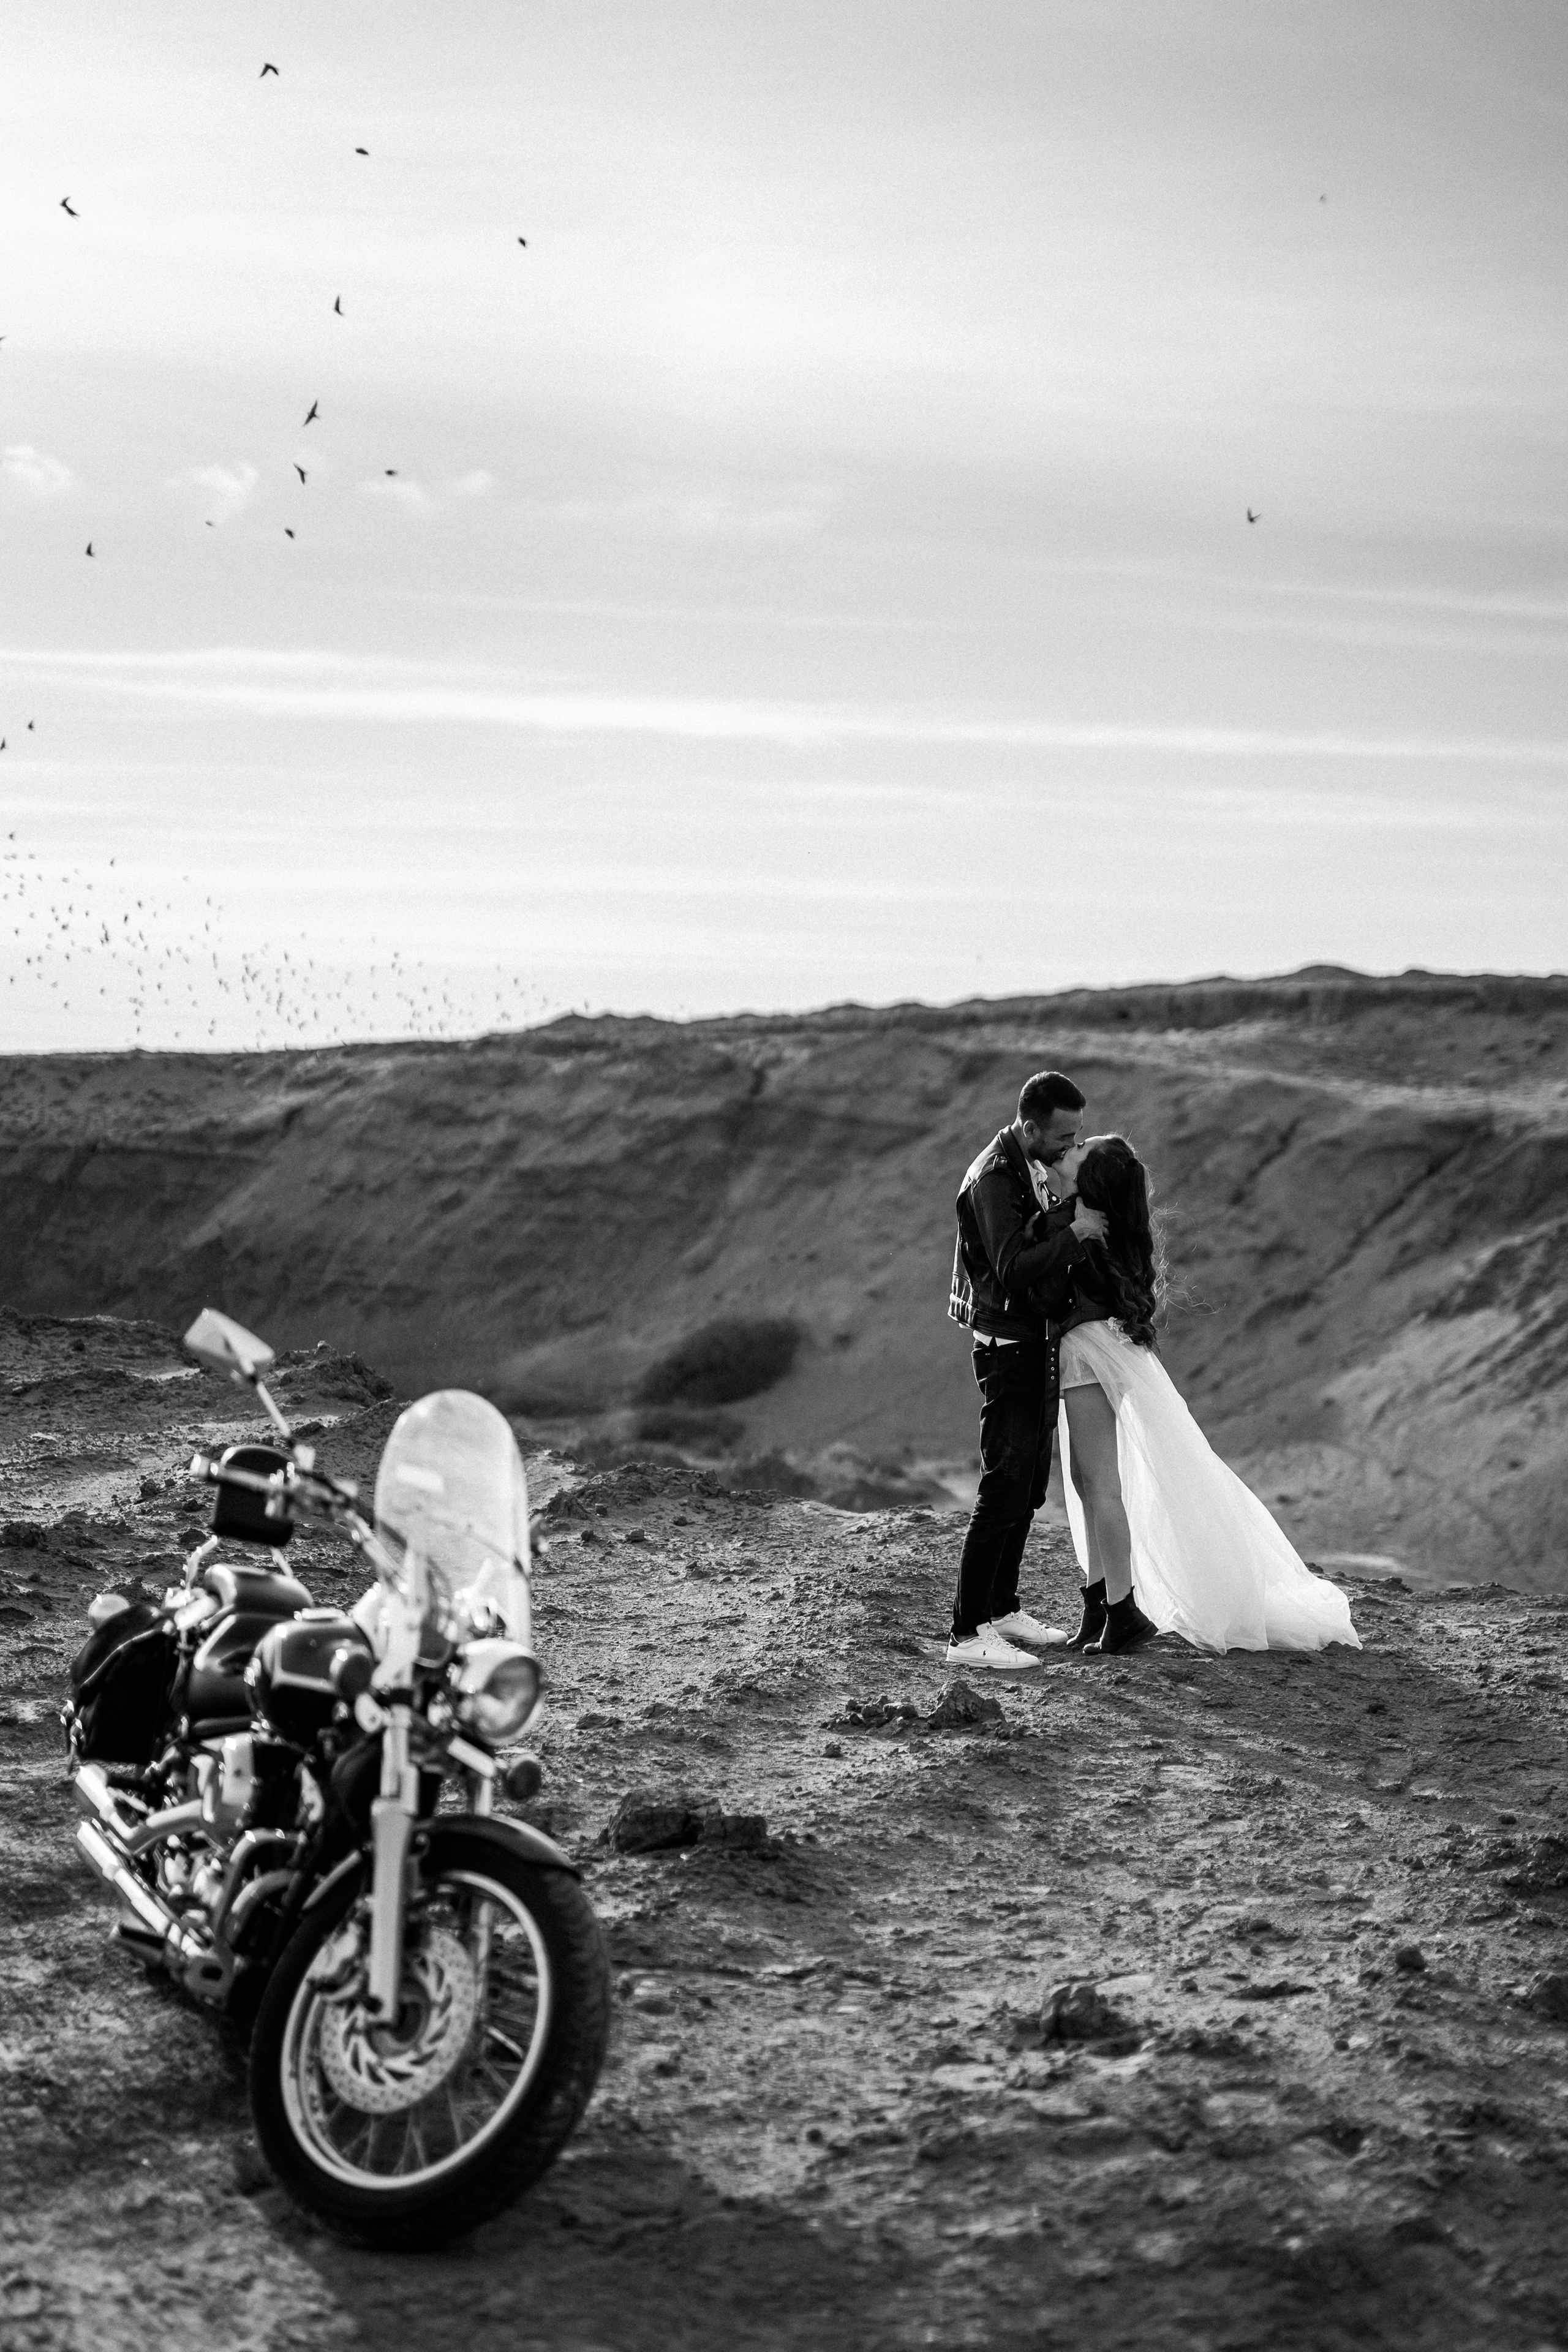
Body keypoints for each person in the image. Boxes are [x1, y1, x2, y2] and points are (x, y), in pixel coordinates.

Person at [1049, 1134, 1361, 1656]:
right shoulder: (1082, 1218)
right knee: (1086, 1482)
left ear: (1093, 1179)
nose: (1071, 1148)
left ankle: (1121, 1612)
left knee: (1100, 1486)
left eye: (1081, 1148)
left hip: (1088, 1357)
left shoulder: (1082, 1224)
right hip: (1090, 1352)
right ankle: (1100, 1605)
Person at [945, 1071, 1109, 1672]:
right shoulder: (994, 1177)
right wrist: (1078, 1232)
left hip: (1034, 1343)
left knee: (1029, 1487)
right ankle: (967, 1634)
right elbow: (1013, 1268)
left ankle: (1001, 1608)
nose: (1071, 1145)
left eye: (1077, 1135)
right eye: (1064, 1136)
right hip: (1008, 1348)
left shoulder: (1027, 1164)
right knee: (1002, 1488)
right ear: (1030, 1127)